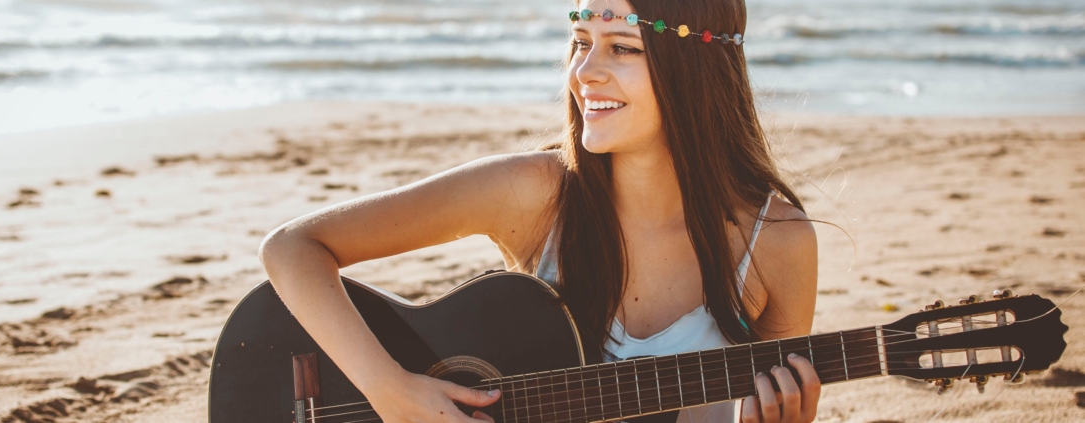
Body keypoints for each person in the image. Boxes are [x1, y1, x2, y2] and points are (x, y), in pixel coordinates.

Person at [259, 0, 820, 422]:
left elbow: (770, 400)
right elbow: (291, 248)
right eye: (581, 41)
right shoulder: (535, 192)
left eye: (622, 47)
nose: (585, 72)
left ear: (696, 68)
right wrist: (391, 391)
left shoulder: (775, 242)